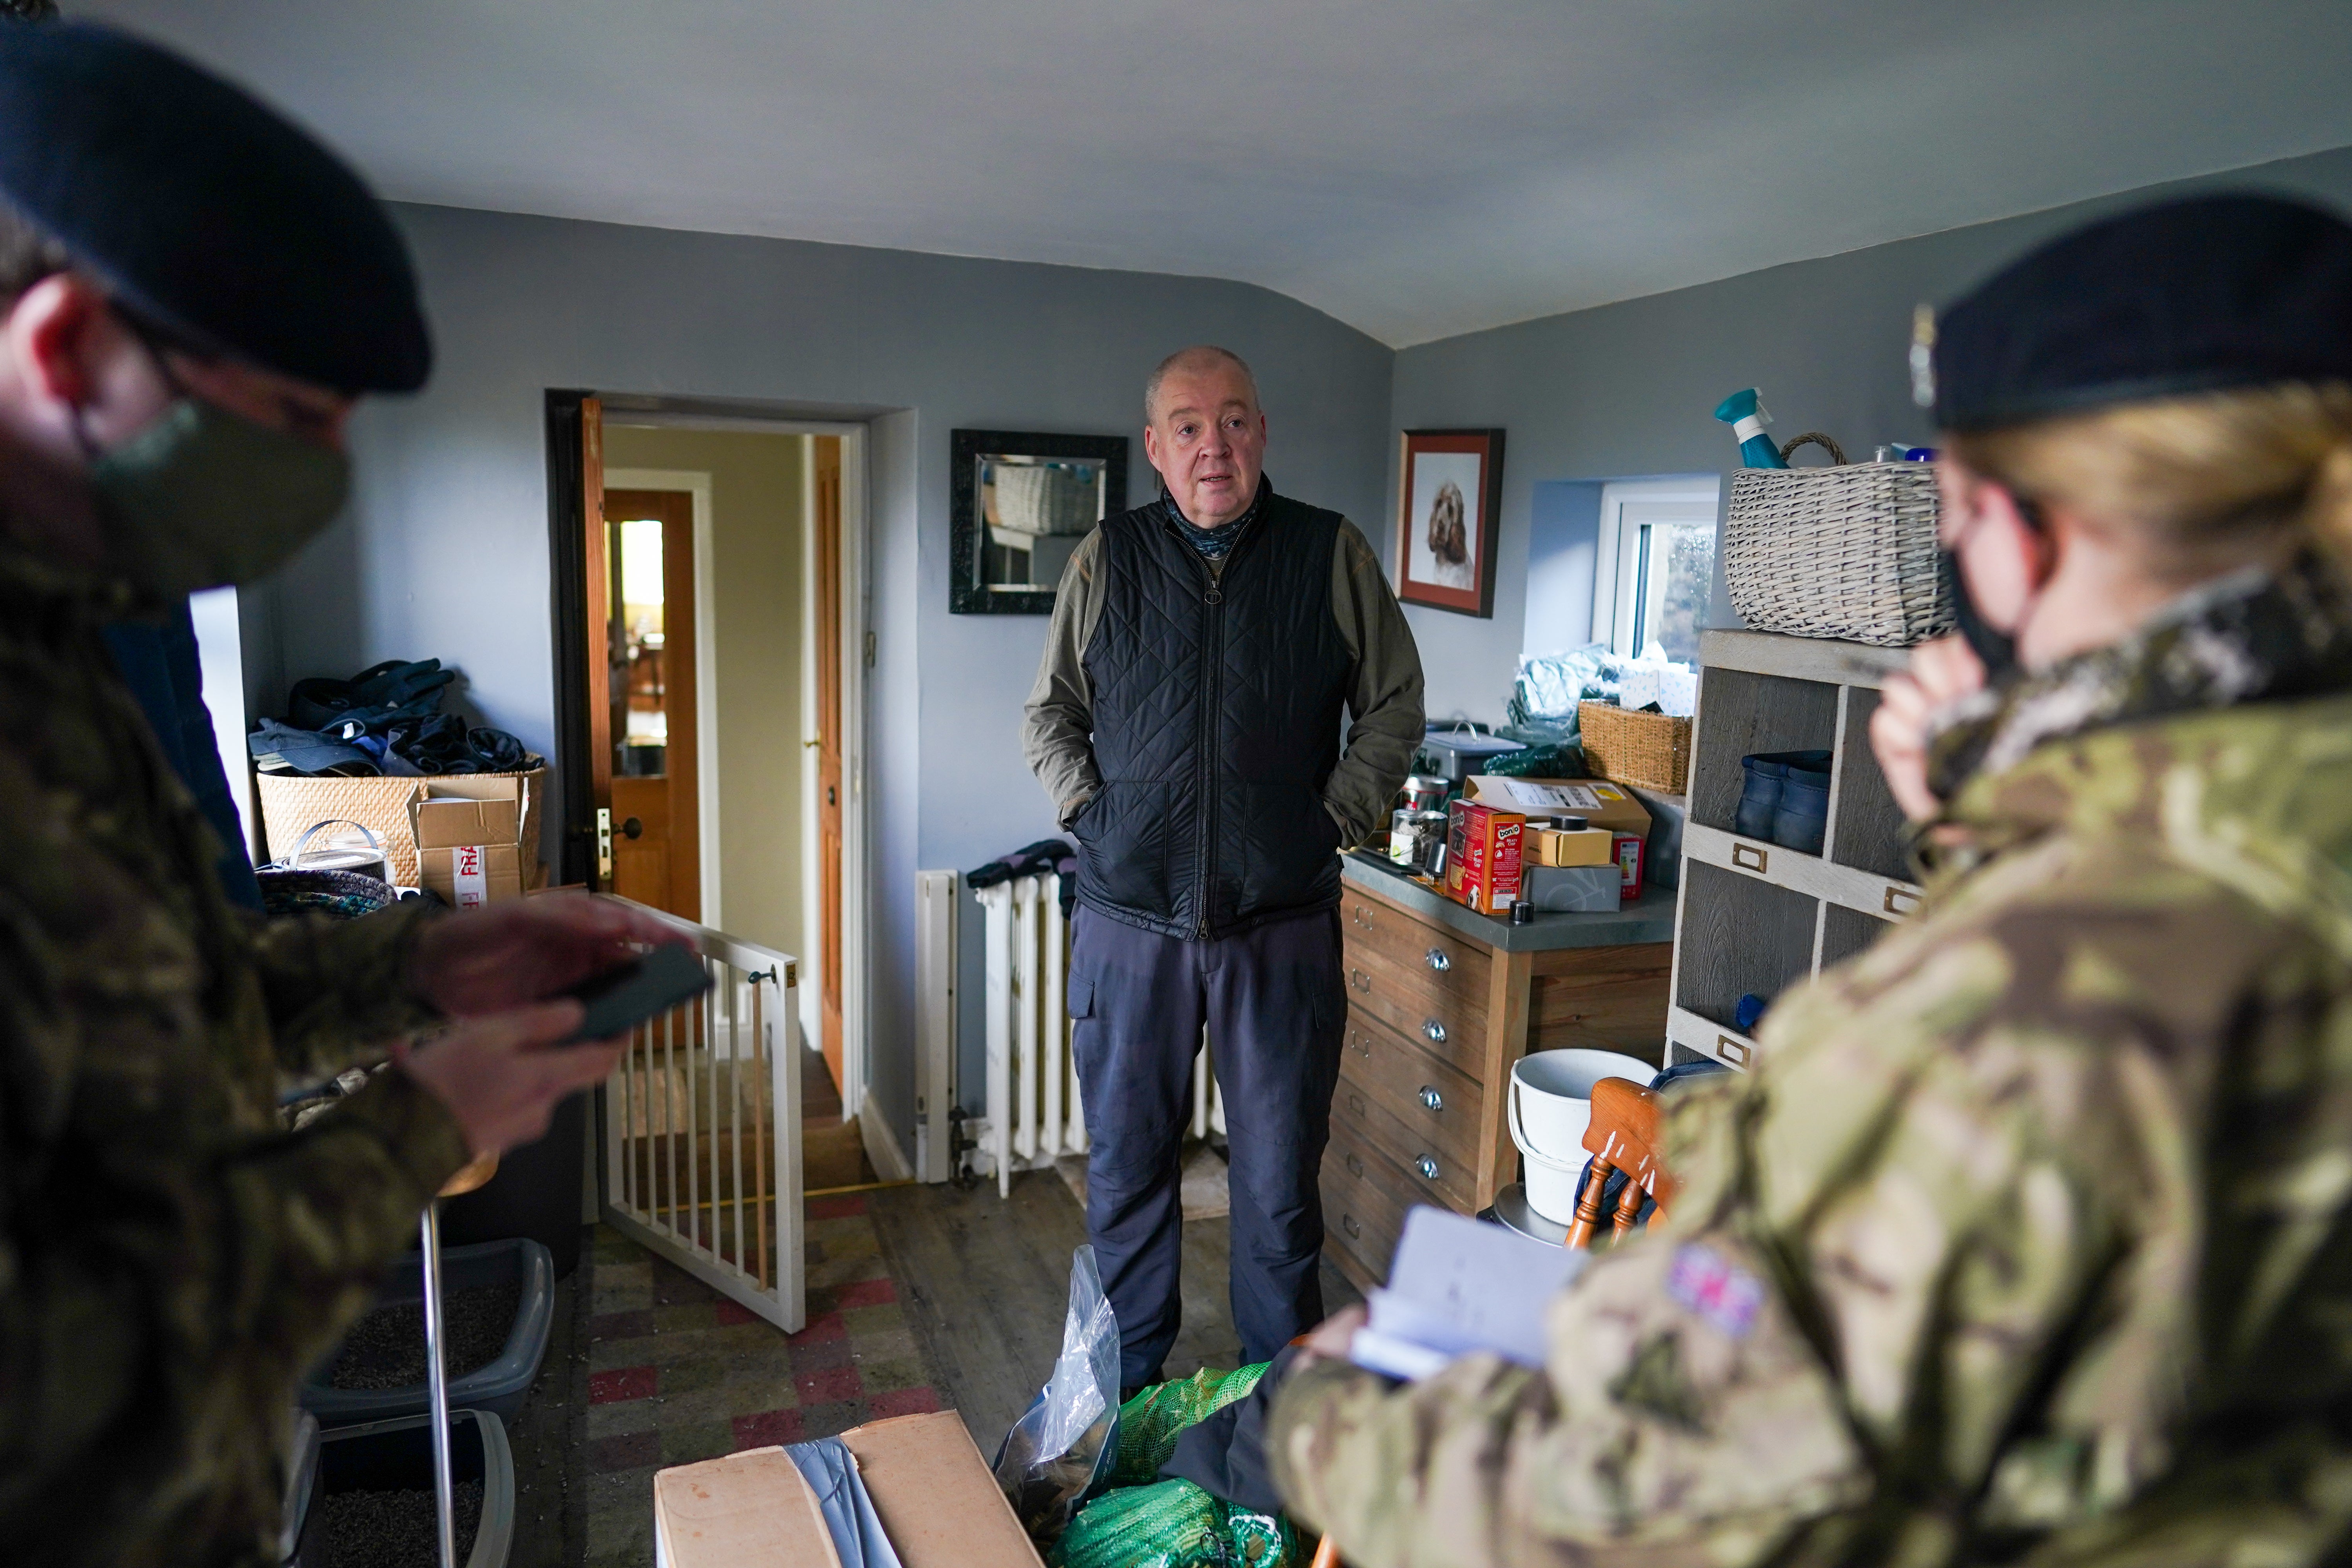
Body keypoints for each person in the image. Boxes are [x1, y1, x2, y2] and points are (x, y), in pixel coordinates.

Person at [1266, 191, 2352, 1568]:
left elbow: (1660, 1507)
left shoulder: (2044, 991)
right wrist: (1999, 807)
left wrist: (1331, 1421)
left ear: (2022, 537)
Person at [0, 24, 681, 1567]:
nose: (314, 481)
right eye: (285, 425)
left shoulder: (87, 627)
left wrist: (417, 963)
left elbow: (148, 996)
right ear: (65, 354)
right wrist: (410, 1130)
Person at [1024, 345, 1424, 1391]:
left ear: (1262, 435)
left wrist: (1335, 815)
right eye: (1191, 426)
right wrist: (1090, 812)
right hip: (1129, 921)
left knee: (1281, 1191)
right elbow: (1051, 712)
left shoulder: (1328, 554)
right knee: (1124, 1179)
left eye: (1235, 421)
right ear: (1156, 450)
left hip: (1280, 923)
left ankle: (1277, 1417)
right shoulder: (1106, 559)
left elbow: (1395, 704)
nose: (1216, 447)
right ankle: (1121, 1403)